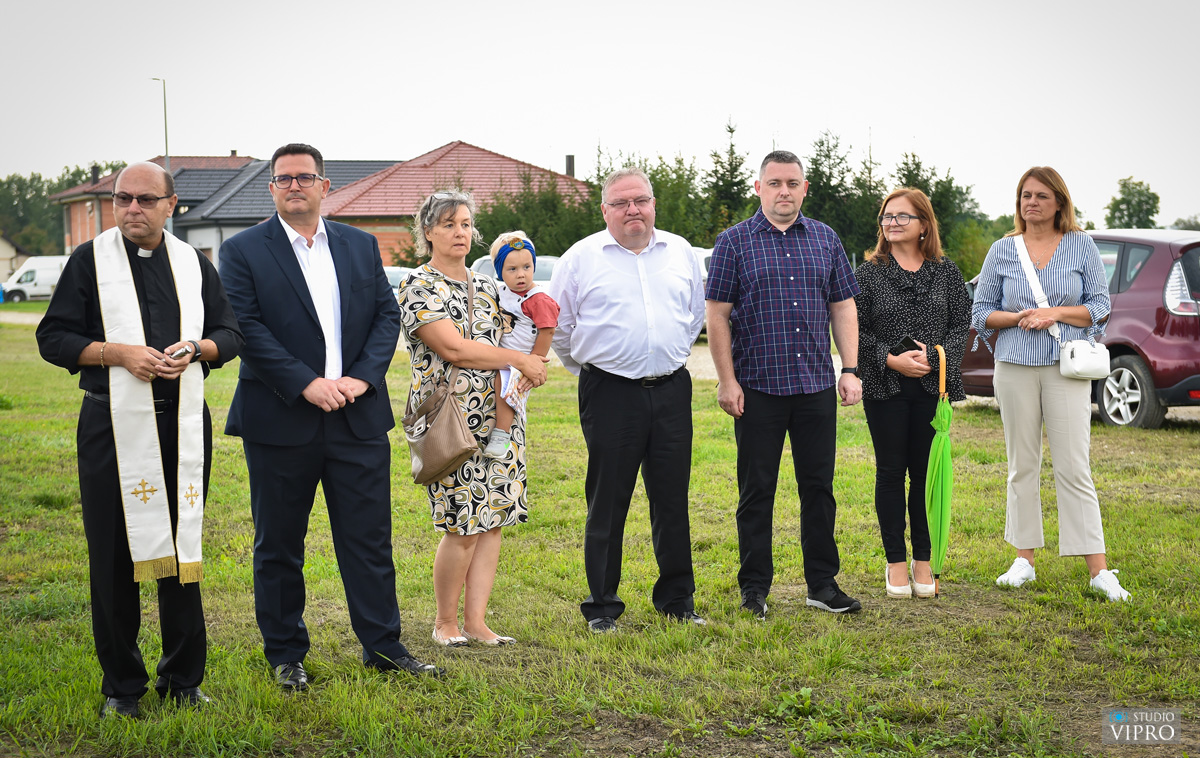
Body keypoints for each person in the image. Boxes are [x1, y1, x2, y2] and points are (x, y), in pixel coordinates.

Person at [219, 143, 442, 690]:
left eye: (305, 177)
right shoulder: (242, 250)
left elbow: (386, 315)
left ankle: (383, 647)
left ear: (324, 187)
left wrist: (362, 378)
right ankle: (286, 655)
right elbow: (245, 325)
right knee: (278, 546)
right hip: (279, 419)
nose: (294, 185)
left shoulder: (359, 244)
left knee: (369, 540)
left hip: (356, 416)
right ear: (272, 189)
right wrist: (306, 383)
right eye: (284, 178)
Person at [36, 162, 243, 718]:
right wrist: (116, 353)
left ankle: (183, 679)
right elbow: (53, 338)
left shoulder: (194, 264)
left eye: (146, 199)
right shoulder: (89, 261)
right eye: (123, 198)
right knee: (111, 557)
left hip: (182, 424)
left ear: (171, 205)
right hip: (111, 425)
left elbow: (230, 334)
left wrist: (195, 350)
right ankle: (122, 687)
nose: (132, 209)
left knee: (182, 549)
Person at [705, 150, 863, 618]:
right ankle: (754, 588)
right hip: (757, 387)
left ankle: (822, 585)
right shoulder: (733, 242)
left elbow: (843, 306)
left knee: (819, 489)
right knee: (757, 492)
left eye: (792, 183)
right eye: (774, 183)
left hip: (814, 387)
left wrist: (850, 369)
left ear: (804, 188)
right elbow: (717, 315)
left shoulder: (825, 238)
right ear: (759, 188)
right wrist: (727, 381)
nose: (784, 191)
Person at [550, 167, 706, 633]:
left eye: (640, 200)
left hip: (672, 389)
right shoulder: (580, 258)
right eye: (620, 203)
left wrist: (665, 355)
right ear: (605, 210)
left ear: (654, 204)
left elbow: (694, 314)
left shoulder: (680, 251)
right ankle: (602, 606)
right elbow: (559, 327)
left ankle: (677, 601)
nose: (632, 209)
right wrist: (596, 370)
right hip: (609, 393)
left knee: (672, 499)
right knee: (607, 500)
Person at [971, 166, 1131, 601]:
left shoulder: (1081, 245)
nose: (1032, 202)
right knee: (1021, 465)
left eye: (1041, 195)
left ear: (1059, 201)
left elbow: (1099, 306)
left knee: (1074, 466)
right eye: (1026, 195)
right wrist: (1018, 318)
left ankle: (1098, 570)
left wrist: (1055, 313)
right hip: (1014, 367)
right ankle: (1023, 561)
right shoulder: (1002, 250)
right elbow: (981, 311)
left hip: (1066, 367)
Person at [398, 193, 548, 646]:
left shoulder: (488, 286)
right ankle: (445, 622)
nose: (460, 232)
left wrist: (534, 359)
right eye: (448, 225)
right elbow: (454, 349)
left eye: (465, 224)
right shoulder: (417, 284)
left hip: (500, 420)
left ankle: (477, 623)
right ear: (428, 232)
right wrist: (519, 360)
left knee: (493, 519)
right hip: (450, 422)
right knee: (462, 525)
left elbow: (524, 330)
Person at [854, 188, 971, 599]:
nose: (892, 223)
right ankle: (895, 563)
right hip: (884, 386)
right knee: (890, 473)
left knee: (925, 474)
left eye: (902, 216)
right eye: (887, 216)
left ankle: (924, 560)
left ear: (924, 224)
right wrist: (890, 359)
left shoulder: (946, 272)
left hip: (931, 389)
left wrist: (935, 359)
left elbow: (961, 325)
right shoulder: (867, 274)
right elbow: (854, 330)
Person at [482, 231, 559, 457]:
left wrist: (534, 361)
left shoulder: (538, 299)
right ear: (500, 272)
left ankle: (502, 434)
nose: (521, 274)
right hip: (501, 352)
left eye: (527, 267)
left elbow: (547, 330)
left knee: (506, 384)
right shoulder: (500, 292)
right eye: (512, 269)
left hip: (521, 357)